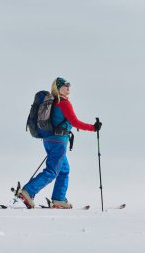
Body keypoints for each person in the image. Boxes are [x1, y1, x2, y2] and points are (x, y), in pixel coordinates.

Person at [20, 77, 102, 209]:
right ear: (58, 88)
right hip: (58, 141)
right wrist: (93, 127)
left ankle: (59, 199)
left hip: (49, 140)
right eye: (65, 85)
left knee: (64, 170)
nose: (69, 87)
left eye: (69, 84)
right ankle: (28, 191)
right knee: (52, 170)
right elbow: (75, 122)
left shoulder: (53, 103)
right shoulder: (63, 103)